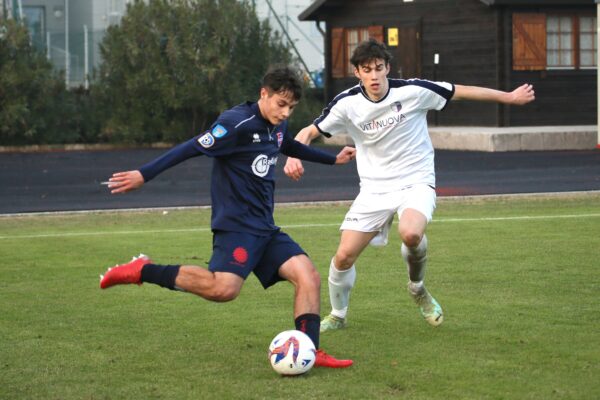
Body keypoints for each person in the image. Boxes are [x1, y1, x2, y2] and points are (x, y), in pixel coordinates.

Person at [99, 65, 356, 368]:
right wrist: (144, 174)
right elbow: (191, 147)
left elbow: (287, 145)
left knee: (308, 276)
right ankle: (143, 270)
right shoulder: (236, 124)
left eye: (292, 107)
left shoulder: (277, 123)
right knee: (223, 289)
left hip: (264, 227)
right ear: (264, 94)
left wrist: (332, 158)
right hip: (236, 226)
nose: (286, 113)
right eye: (281, 104)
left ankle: (309, 349)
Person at [284, 39, 535, 331]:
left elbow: (460, 91)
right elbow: (309, 131)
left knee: (411, 233)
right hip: (374, 190)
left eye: (379, 68)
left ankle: (417, 288)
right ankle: (338, 315)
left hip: (415, 181)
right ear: (358, 73)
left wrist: (509, 96)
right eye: (367, 70)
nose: (374, 75)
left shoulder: (414, 91)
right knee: (343, 256)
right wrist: (293, 154)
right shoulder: (347, 104)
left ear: (387, 68)